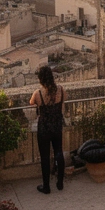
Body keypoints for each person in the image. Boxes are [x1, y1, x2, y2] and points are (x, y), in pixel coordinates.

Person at [29, 66, 65, 194]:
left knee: (45, 157)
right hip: (57, 125)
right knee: (59, 152)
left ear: (40, 79)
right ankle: (60, 182)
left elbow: (31, 102)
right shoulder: (60, 90)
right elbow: (62, 103)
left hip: (44, 127)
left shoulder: (38, 93)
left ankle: (46, 186)